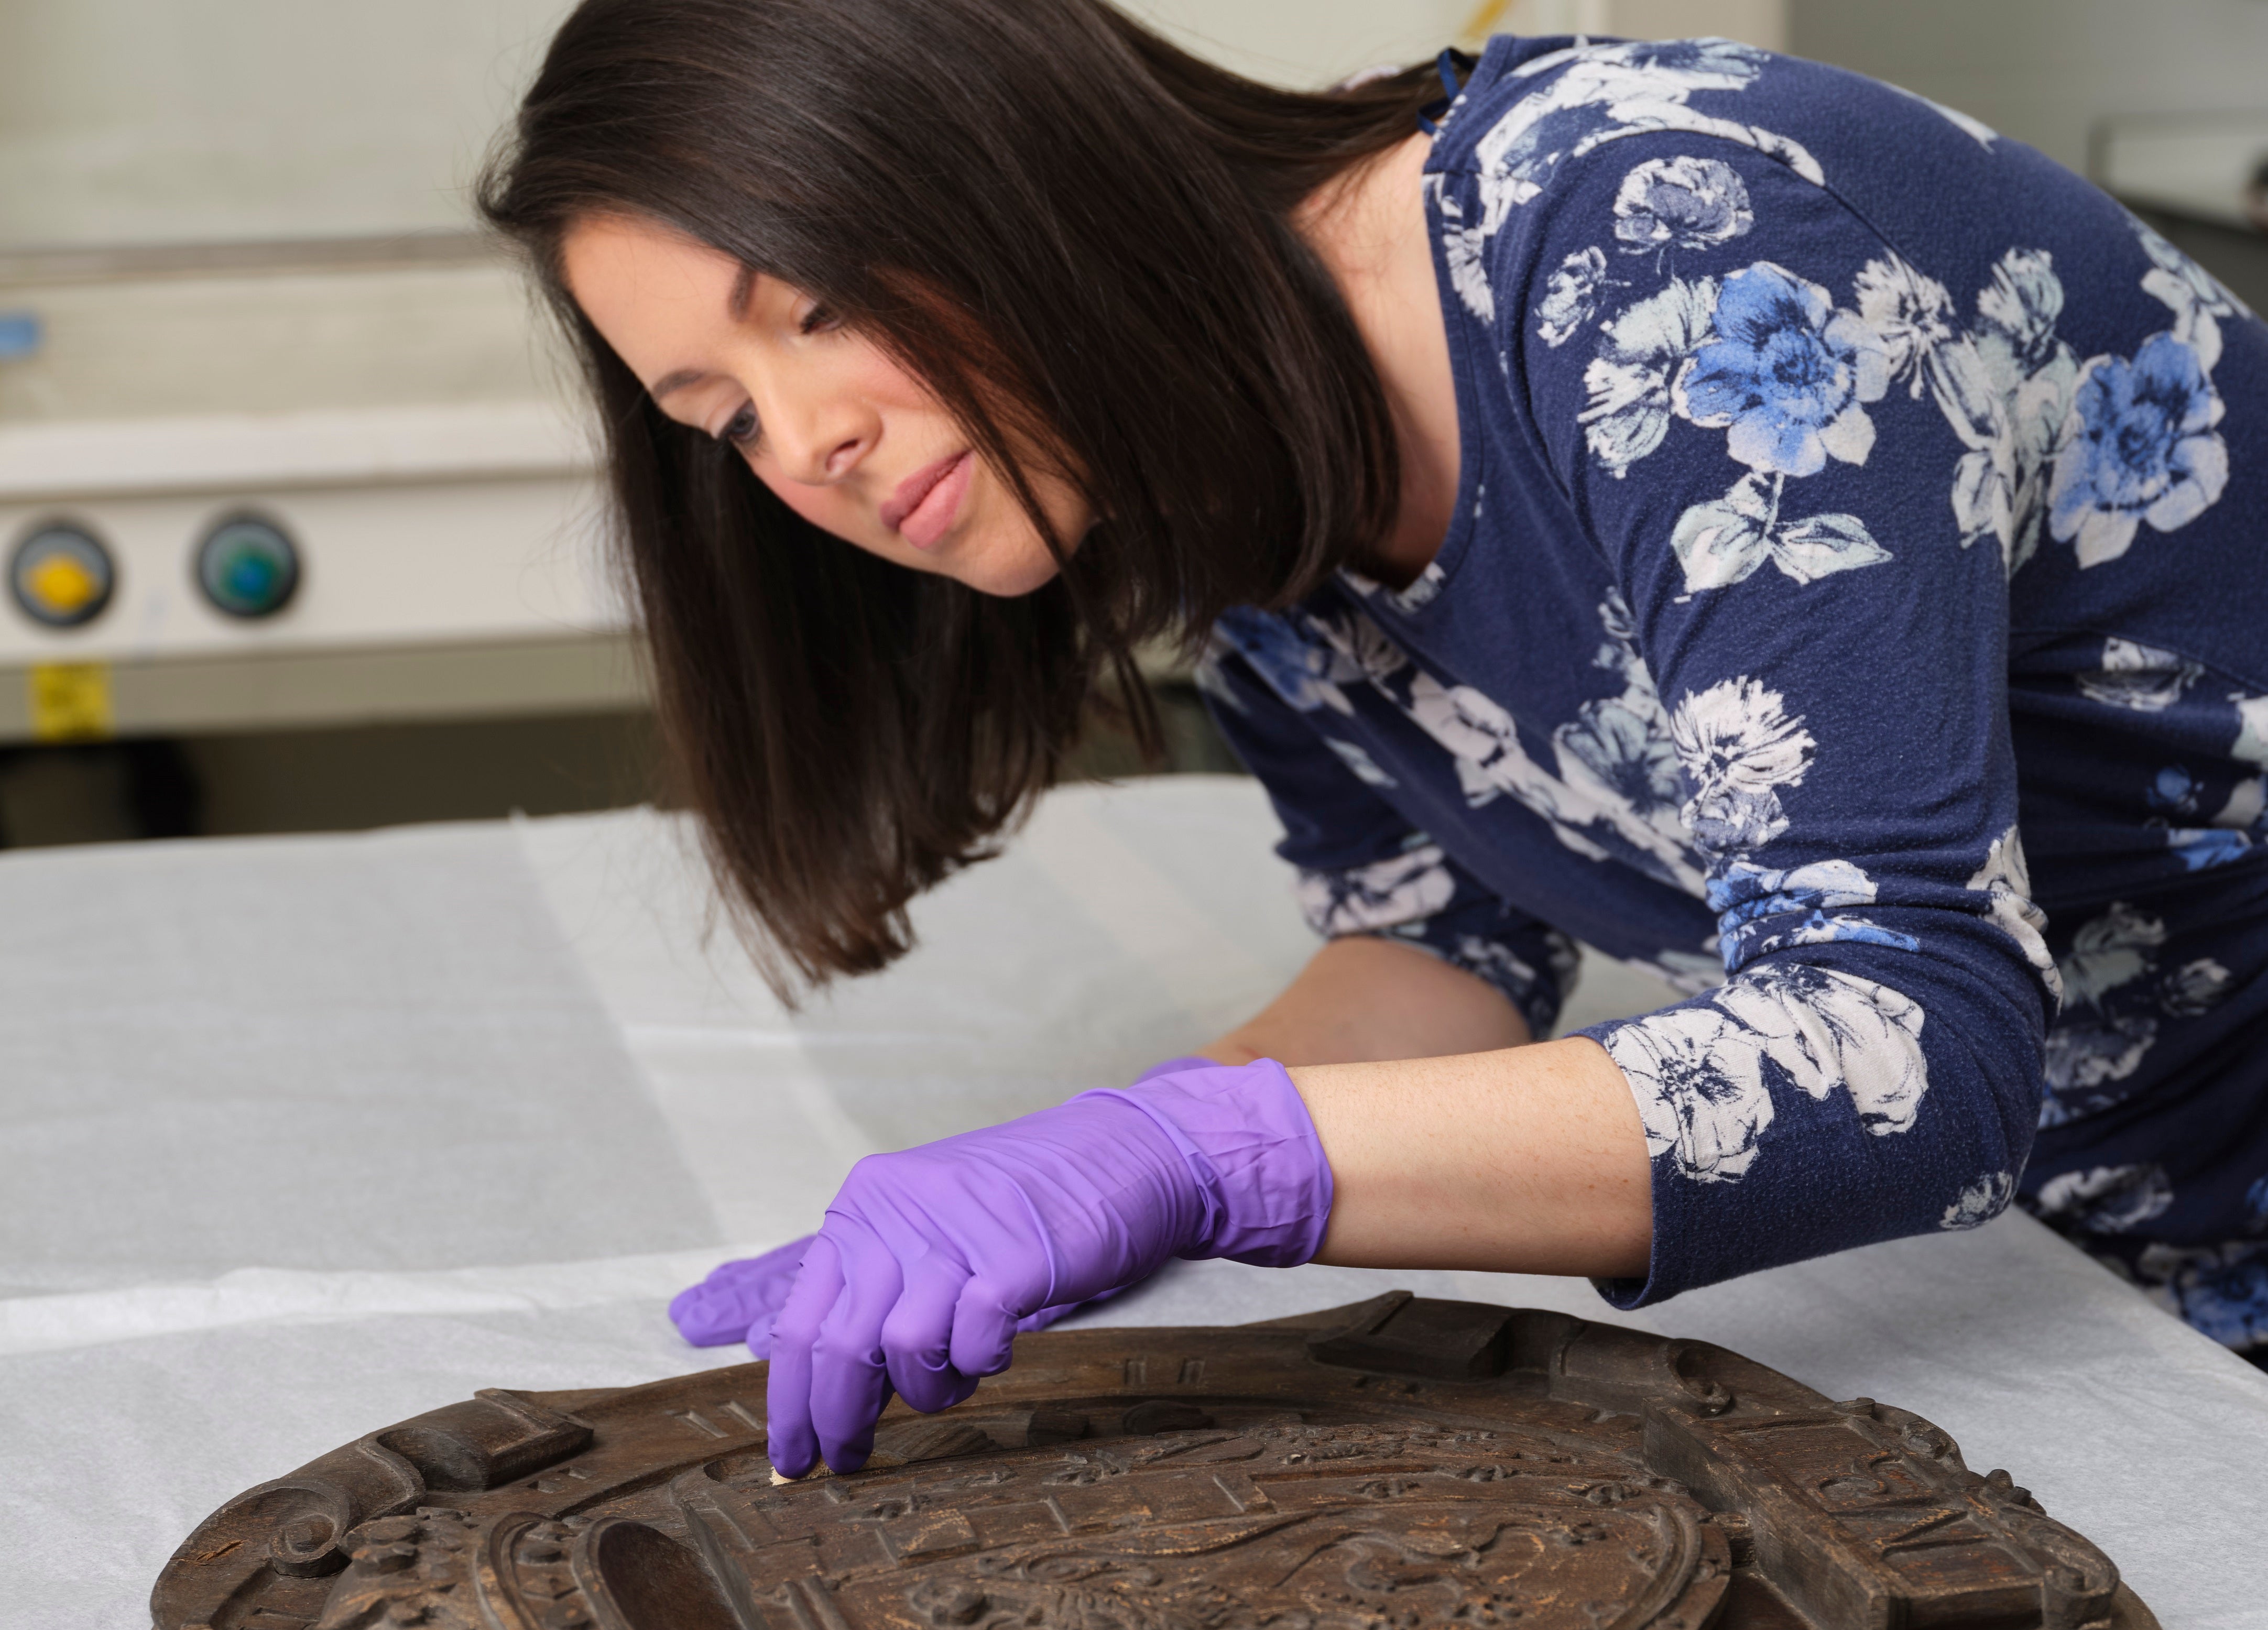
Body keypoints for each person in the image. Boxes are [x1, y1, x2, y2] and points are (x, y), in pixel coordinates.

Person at [480, 0, 2268, 1475]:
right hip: (2076, 1268)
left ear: (1002, 164)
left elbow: (1906, 1051)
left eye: (811, 307)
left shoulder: (1667, 245)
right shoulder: (1199, 419)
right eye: (723, 420)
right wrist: (1116, 1149)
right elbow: (1450, 933)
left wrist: (1219, 1157)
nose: (804, 444)